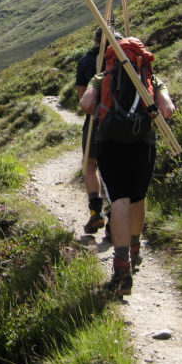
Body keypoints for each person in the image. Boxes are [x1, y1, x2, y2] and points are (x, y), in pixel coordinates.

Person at [79, 36, 175, 296]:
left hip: (110, 143)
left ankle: (122, 271)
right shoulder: (151, 78)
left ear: (111, 57)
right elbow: (167, 110)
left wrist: (105, 109)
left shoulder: (102, 77)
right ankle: (135, 249)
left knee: (119, 201)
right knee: (138, 197)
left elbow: (86, 104)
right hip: (144, 144)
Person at [75, 27, 106, 234]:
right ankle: (116, 220)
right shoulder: (127, 61)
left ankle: (96, 211)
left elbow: (81, 99)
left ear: (95, 41)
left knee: (90, 163)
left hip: (96, 120)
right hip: (128, 121)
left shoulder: (86, 62)